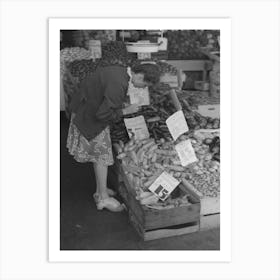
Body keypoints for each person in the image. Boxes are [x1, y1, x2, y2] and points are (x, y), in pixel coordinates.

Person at [66, 63, 161, 212]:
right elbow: (103, 114)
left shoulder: (120, 71)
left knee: (98, 157)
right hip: (90, 118)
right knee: (102, 158)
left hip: (84, 110)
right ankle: (103, 199)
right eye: (144, 84)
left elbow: (104, 95)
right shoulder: (119, 84)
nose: (142, 88)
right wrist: (125, 110)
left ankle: (100, 191)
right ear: (139, 75)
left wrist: (119, 104)